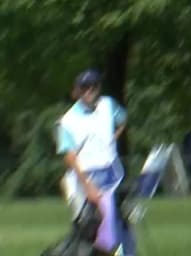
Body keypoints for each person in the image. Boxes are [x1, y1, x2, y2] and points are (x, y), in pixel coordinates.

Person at [55, 69, 136, 255]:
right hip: (86, 181)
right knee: (93, 233)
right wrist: (88, 186)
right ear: (76, 91)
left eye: (94, 86)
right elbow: (69, 156)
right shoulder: (68, 121)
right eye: (85, 87)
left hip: (112, 176)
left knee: (119, 230)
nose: (90, 90)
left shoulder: (107, 105)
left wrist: (112, 139)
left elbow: (122, 119)